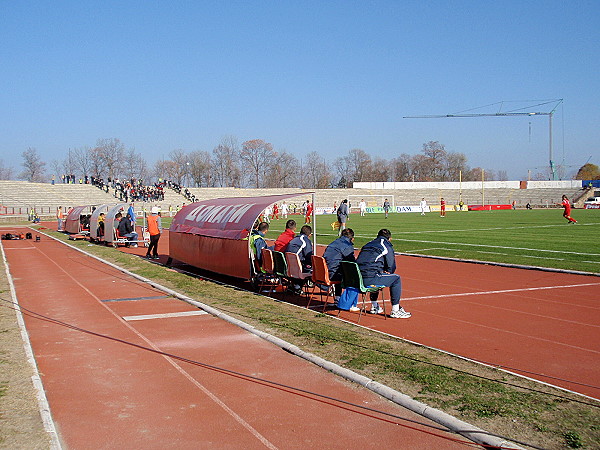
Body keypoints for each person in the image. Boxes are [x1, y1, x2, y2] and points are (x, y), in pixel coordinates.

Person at [356, 229, 411, 319]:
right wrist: (388, 271)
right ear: (389, 239)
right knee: (396, 279)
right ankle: (395, 310)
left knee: (377, 274)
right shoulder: (386, 246)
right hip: (369, 278)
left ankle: (374, 306)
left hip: (357, 278)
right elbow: (391, 266)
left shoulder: (368, 244)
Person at [323, 228, 356, 305]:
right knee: (354, 276)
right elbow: (352, 263)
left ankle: (338, 298)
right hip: (333, 274)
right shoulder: (347, 246)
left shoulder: (333, 243)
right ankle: (351, 303)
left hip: (324, 272)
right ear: (352, 238)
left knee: (340, 270)